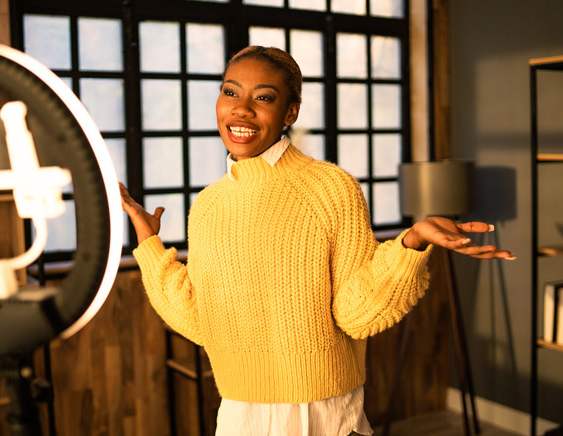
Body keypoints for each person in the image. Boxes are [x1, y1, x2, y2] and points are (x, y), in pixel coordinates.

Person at [119, 46, 514, 436]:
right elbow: (199, 318)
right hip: (239, 415)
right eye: (230, 92)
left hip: (321, 413)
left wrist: (410, 243)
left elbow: (356, 315)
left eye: (264, 98)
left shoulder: (330, 188)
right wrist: (148, 240)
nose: (241, 109)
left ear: (290, 112)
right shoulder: (207, 206)